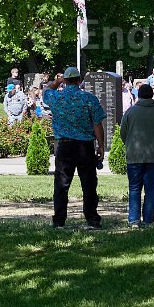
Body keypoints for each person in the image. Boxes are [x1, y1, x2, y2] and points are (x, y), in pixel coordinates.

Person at [42, 67, 107, 229]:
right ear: (79, 80)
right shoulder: (89, 98)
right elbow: (97, 124)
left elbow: (46, 90)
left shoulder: (56, 97)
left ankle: (59, 221)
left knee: (61, 185)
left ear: (65, 80)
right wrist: (101, 146)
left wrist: (57, 82)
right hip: (85, 146)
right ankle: (92, 220)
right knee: (89, 184)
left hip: (64, 146)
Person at [120, 83, 154, 228]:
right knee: (151, 189)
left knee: (134, 188)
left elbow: (123, 133)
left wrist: (130, 144)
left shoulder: (130, 112)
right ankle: (148, 220)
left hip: (134, 155)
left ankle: (134, 220)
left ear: (139, 95)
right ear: (152, 95)